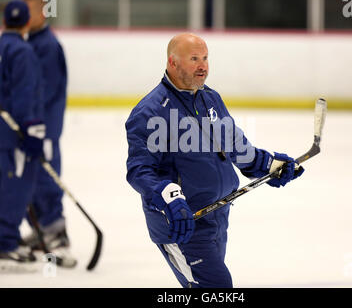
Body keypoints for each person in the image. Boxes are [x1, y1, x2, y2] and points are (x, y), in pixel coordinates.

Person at [125, 32, 304, 288]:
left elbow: (236, 146)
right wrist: (169, 196)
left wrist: (269, 165)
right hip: (182, 224)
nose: (203, 66)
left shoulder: (210, 98)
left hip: (217, 216)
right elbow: (140, 171)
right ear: (172, 63)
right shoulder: (151, 111)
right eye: (194, 59)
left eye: (206, 58)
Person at [0, 0, 45, 273]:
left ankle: (6, 238)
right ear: (26, 23)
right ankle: (4, 247)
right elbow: (24, 94)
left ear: (4, 21)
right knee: (16, 189)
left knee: (2, 187)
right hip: (17, 135)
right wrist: (32, 130)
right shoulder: (23, 52)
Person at [21, 0, 75, 268]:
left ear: (43, 13)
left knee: (46, 179)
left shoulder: (47, 46)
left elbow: (46, 91)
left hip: (43, 129)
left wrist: (35, 125)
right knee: (29, 180)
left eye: (29, 11)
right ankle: (42, 230)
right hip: (30, 129)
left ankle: (58, 238)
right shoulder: (28, 42)